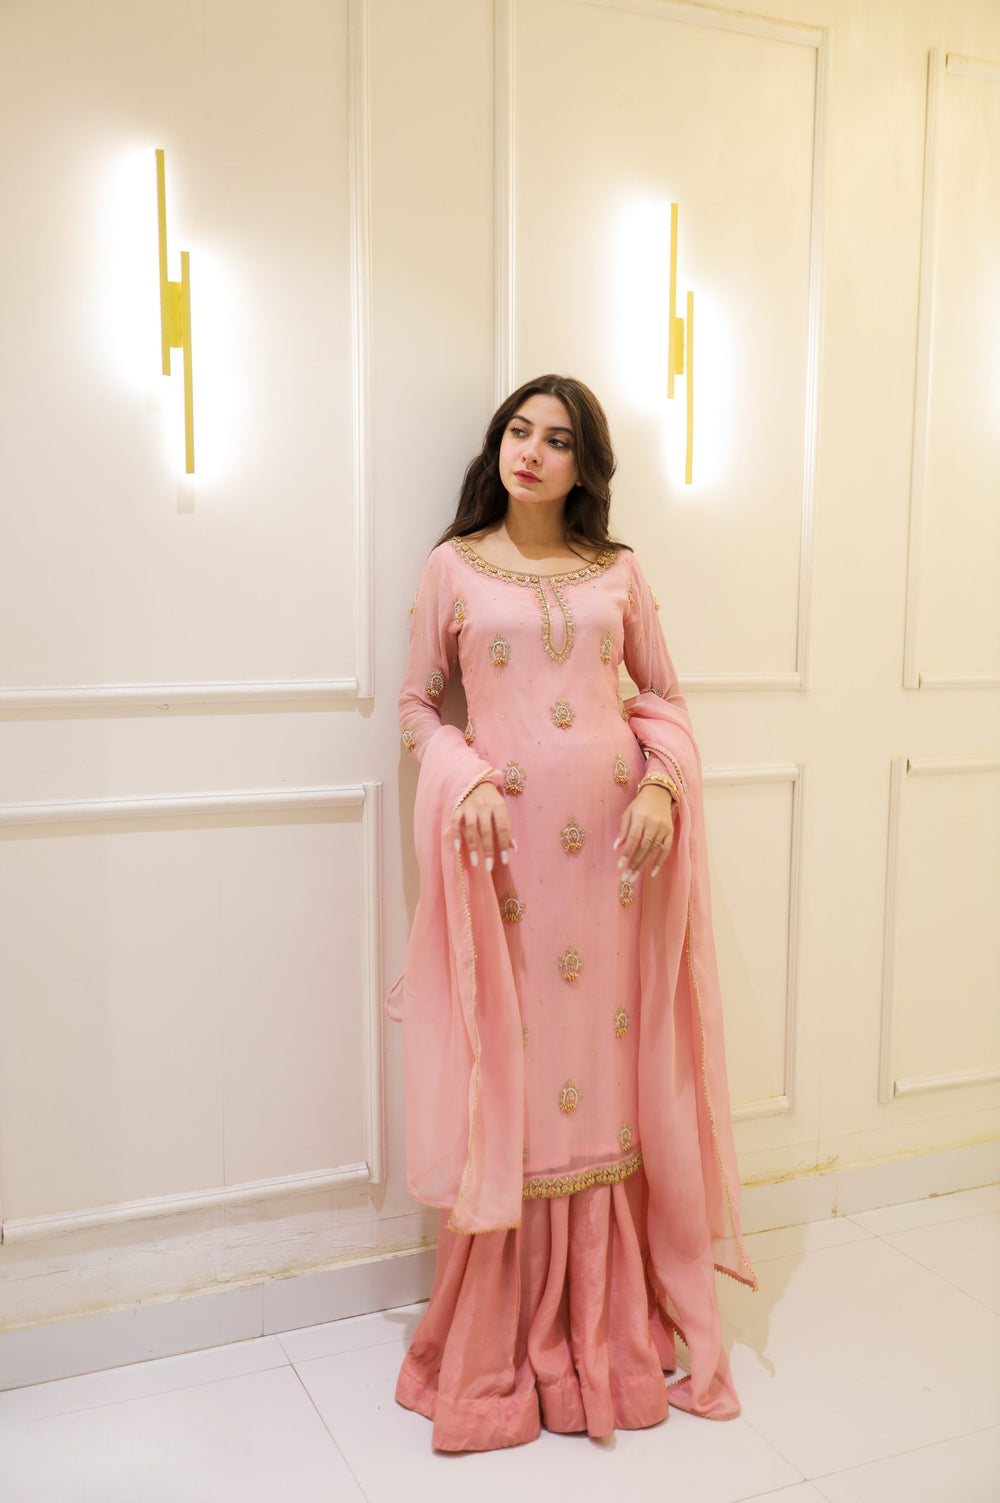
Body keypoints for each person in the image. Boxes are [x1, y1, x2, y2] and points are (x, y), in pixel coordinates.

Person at [386, 373, 757, 1452]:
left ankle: (609, 1319)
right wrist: (460, 777)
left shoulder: (618, 572)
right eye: (518, 431)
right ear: (496, 444)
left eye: (557, 440)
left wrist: (659, 784)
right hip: (502, 866)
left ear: (585, 465)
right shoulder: (453, 568)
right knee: (515, 1074)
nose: (532, 452)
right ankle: (504, 1331)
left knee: (601, 1074)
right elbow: (417, 706)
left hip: (612, 869)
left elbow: (663, 701)